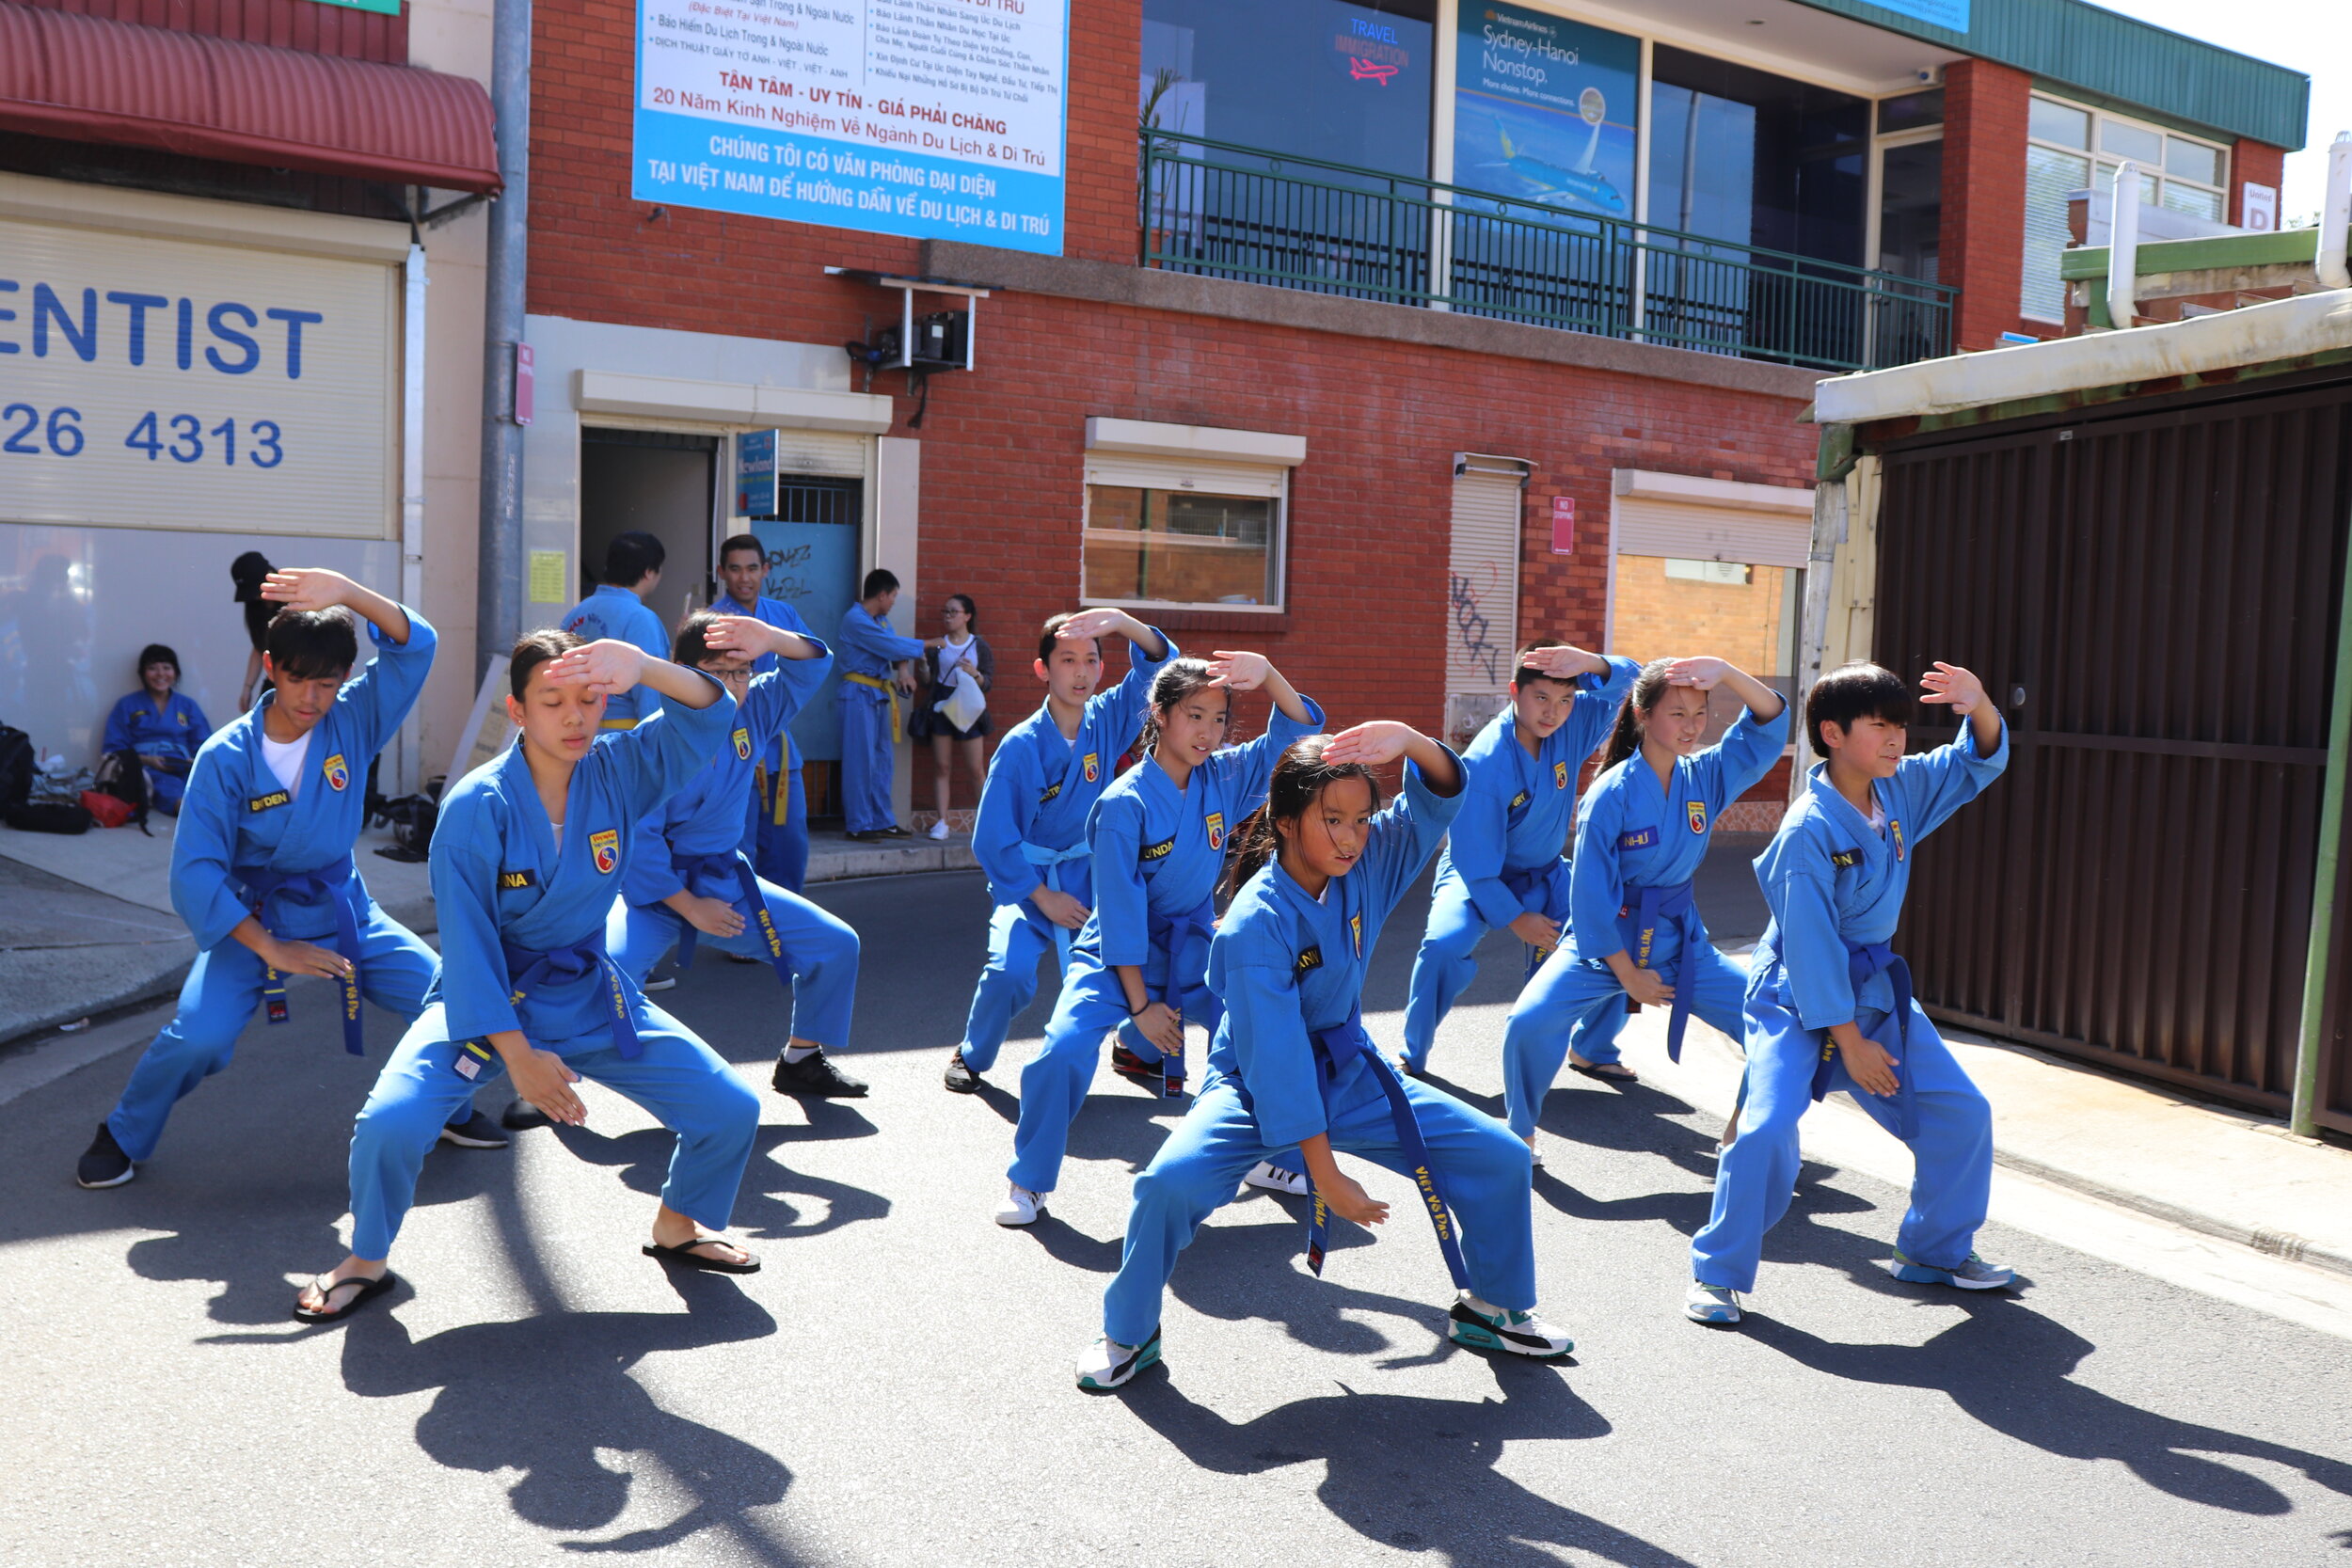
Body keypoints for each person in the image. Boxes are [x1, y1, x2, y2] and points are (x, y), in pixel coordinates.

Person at [1078, 729, 1574, 1390]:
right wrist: (1325, 1174)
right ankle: (1129, 1334)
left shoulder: (1365, 865)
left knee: (1501, 1155)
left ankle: (1494, 1307)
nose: (1350, 836)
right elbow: (1278, 1061)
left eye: (1362, 820)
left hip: (1353, 1069)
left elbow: (1440, 797)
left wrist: (1408, 738)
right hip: (1251, 1087)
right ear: (1285, 822)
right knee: (1167, 1185)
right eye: (1331, 820)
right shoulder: (1256, 919)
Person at [293, 629, 753, 1323]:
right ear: (517, 709)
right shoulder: (477, 806)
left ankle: (677, 1225)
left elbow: (713, 712)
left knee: (731, 1106)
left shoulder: (621, 770)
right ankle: (365, 1257)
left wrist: (645, 667)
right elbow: (470, 948)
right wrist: (520, 1060)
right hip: (490, 1000)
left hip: (588, 993)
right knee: (389, 1122)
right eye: (552, 701)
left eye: (589, 699)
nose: (574, 717)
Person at [74, 571, 497, 1190]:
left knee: (453, 1000)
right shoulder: (224, 755)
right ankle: (123, 1129)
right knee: (197, 1037)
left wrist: (349, 593)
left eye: (328, 683)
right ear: (270, 666)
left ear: (345, 680)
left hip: (345, 910)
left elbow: (419, 645)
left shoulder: (353, 720)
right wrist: (273, 949)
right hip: (254, 919)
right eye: (297, 678)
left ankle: (451, 1107)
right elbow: (195, 872)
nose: (311, 697)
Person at [1686, 661, 2010, 1327]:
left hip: (1875, 992)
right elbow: (1809, 948)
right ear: (1832, 733)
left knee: (1963, 1113)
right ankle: (1716, 1273)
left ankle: (1934, 1249)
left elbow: (1975, 761)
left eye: (1900, 725)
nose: (1896, 740)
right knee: (1765, 1127)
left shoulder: (1899, 791)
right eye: (1879, 726)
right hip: (1793, 997)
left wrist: (1978, 705)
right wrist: (1851, 1042)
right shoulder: (1807, 829)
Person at [995, 652, 1322, 1228]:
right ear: (1161, 714)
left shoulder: (1223, 776)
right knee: (1062, 1051)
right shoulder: (1124, 804)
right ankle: (1029, 1178)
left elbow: (1294, 734)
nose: (1208, 732)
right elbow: (1120, 918)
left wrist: (1269, 672)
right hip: (1115, 959)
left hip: (1194, 949)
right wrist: (1143, 1009)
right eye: (1195, 715)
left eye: (1219, 719)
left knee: (1270, 1031)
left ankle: (1268, 1157)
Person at [1499, 657, 1789, 1160]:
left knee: (1773, 1024)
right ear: (1642, 713)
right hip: (1604, 946)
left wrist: (1725, 671)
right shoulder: (1610, 794)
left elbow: (1769, 723)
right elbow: (1588, 898)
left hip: (1680, 946)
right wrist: (1629, 976)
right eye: (1678, 713)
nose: (1692, 726)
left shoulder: (1707, 776)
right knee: (1529, 1021)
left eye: (1700, 713)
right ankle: (1518, 1134)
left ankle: (1740, 1136)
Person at [607, 610, 866, 1098]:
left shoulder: (754, 713)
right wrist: (690, 907)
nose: (730, 686)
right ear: (678, 670)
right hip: (655, 894)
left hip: (727, 882)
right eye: (715, 672)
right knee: (606, 971)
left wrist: (768, 637)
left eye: (741, 671)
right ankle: (551, 1078)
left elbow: (811, 665)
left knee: (836, 945)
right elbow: (637, 844)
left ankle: (802, 1058)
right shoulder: (648, 741)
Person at [945, 608, 1174, 1095]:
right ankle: (972, 1052)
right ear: (1042, 669)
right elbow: (991, 838)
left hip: (1091, 874)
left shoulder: (1108, 718)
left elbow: (1158, 666)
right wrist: (1043, 897)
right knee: (1009, 972)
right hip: (1029, 880)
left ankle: (1135, 1046)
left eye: (1090, 659)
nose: (1080, 671)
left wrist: (1120, 622)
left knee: (1135, 952)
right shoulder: (1020, 745)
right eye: (1067, 660)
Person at [1400, 642, 1640, 1077]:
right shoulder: (1486, 761)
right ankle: (1412, 1053)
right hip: (1477, 877)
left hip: (1547, 873)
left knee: (1619, 930)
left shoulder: (1572, 723)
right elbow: (1476, 864)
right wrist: (1515, 918)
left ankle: (1594, 1048)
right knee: (1442, 946)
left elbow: (1631, 684)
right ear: (1515, 691)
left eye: (1565, 699)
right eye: (1541, 698)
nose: (1554, 712)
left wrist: (1592, 664)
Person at [715, 533, 818, 894]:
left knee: (789, 842)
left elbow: (812, 664)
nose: (745, 577)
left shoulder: (782, 615)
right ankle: (744, 927)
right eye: (736, 569)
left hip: (778, 745)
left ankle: (782, 924)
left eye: (753, 568)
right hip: (729, 750)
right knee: (736, 844)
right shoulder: (710, 620)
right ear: (722, 573)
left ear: (766, 570)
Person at [835, 568, 928, 840]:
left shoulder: (882, 621)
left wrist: (902, 671)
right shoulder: (855, 620)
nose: (894, 603)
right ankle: (858, 824)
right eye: (893, 597)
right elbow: (891, 646)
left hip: (878, 694)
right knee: (859, 760)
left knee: (882, 760)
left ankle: (881, 819)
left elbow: (893, 646)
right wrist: (928, 645)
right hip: (857, 693)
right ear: (882, 594)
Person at [560, 531, 672, 729]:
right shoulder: (641, 619)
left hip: (575, 729)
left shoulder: (576, 613)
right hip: (623, 737)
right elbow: (651, 692)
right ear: (648, 572)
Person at [912, 593, 993, 842]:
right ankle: (942, 821)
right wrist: (923, 666)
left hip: (968, 706)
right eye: (945, 612)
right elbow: (927, 683)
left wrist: (974, 673)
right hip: (943, 707)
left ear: (967, 616)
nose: (948, 617)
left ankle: (987, 823)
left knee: (976, 769)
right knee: (942, 766)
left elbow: (988, 682)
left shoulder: (978, 645)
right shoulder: (939, 645)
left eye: (953, 612)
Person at [102, 643, 212, 815]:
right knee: (166, 785)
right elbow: (114, 749)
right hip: (145, 768)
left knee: (208, 784)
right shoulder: (127, 704)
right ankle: (187, 811)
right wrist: (148, 760)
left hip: (182, 765)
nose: (160, 674)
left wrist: (194, 761)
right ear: (143, 673)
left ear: (175, 672)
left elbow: (205, 744)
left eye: (166, 668)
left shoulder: (187, 705)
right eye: (152, 668)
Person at [231, 550, 276, 710]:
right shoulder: (255, 608)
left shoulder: (296, 600)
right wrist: (247, 688)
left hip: (302, 679)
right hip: (275, 680)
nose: (255, 597)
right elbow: (260, 647)